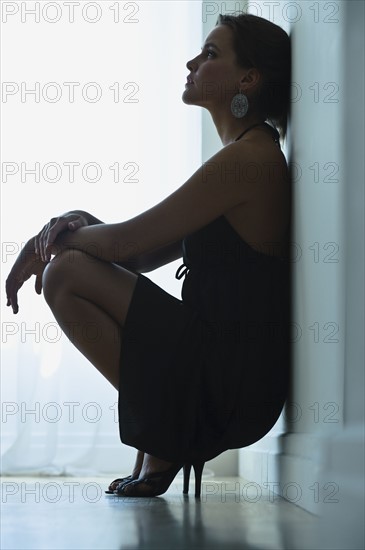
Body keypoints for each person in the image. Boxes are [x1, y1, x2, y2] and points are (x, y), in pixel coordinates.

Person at [5, 13, 292, 498]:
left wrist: (46, 244)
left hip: (232, 381)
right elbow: (137, 257)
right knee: (68, 267)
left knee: (64, 275)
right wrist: (74, 220)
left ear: (248, 79)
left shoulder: (249, 160)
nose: (191, 62)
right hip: (223, 367)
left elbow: (123, 246)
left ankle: (168, 435)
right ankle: (166, 435)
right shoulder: (246, 152)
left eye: (210, 54)